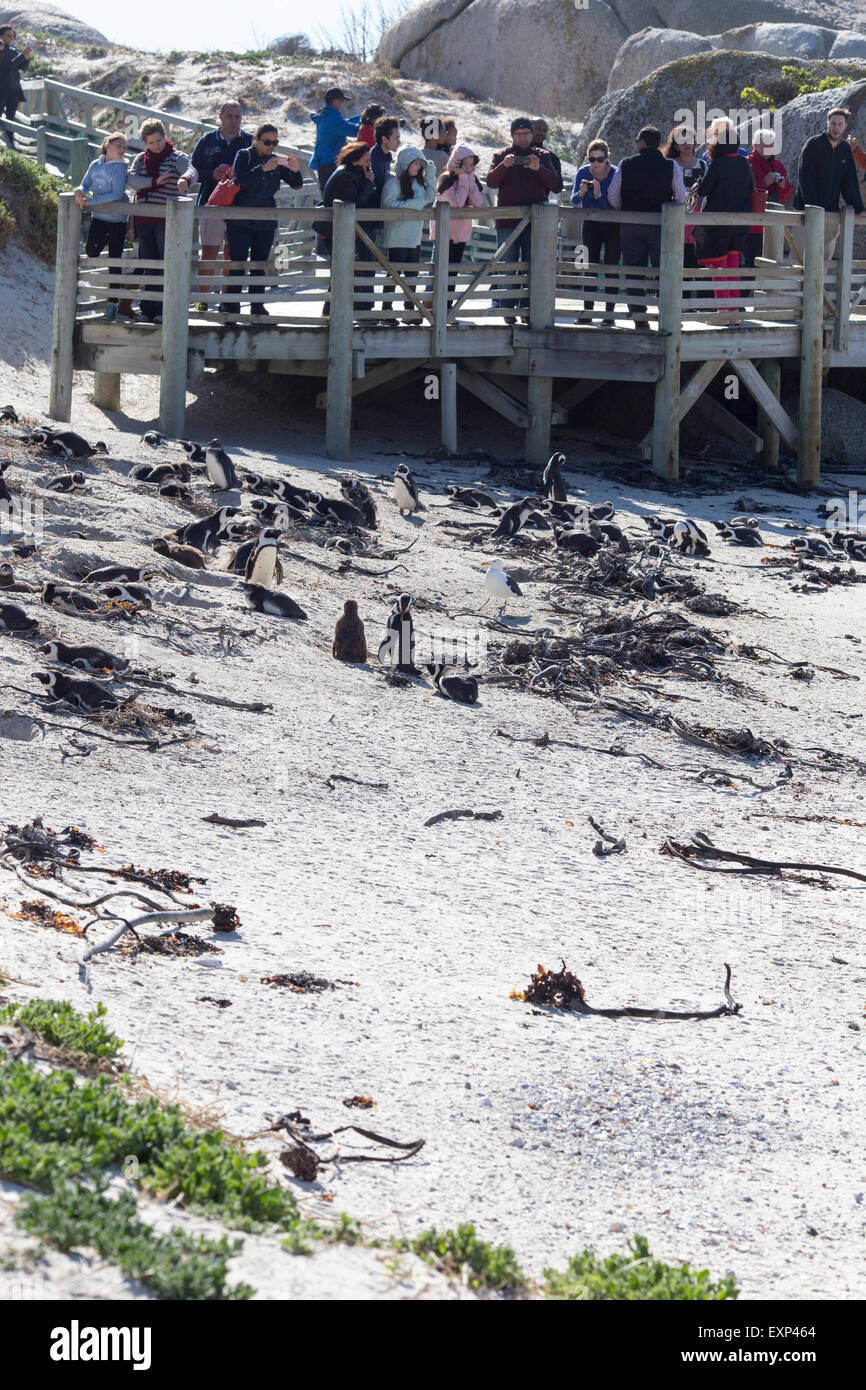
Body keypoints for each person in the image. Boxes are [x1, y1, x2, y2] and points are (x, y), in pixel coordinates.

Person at [607, 126, 686, 328]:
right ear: (658, 143)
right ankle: (666, 316)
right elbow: (680, 196)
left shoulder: (626, 164)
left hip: (631, 225)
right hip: (661, 224)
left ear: (641, 142)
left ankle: (639, 319)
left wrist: (624, 210)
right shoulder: (671, 166)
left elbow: (612, 194)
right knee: (664, 270)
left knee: (634, 271)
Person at [221, 125, 302, 316]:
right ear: (256, 139)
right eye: (267, 142)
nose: (271, 146)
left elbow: (297, 185)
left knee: (260, 264)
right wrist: (263, 168)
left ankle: (257, 306)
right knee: (237, 264)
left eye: (275, 142)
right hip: (240, 218)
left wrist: (296, 170)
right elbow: (240, 180)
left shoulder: (276, 159)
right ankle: (231, 308)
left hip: (266, 219)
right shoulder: (244, 155)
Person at [486, 116, 558, 323]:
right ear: (512, 136)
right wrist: (504, 166)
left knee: (532, 264)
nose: (523, 137)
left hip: (535, 223)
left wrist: (538, 169)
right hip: (507, 222)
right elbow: (491, 182)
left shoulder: (543, 156)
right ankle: (508, 311)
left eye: (526, 133)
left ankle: (528, 310)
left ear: (532, 134)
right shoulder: (501, 155)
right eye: (518, 134)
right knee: (507, 265)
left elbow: (553, 183)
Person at [127, 119, 198, 324]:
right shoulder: (141, 159)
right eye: (151, 142)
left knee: (165, 264)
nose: (156, 145)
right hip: (143, 219)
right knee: (149, 264)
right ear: (145, 143)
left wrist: (184, 179)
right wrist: (153, 182)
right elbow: (131, 180)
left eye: (159, 140)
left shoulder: (177, 157)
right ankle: (147, 310)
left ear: (165, 136)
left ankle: (164, 309)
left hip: (165, 219)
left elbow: (192, 171)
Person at [189, 99, 252, 294]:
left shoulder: (250, 141)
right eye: (229, 116)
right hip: (211, 203)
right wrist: (212, 174)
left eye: (237, 116)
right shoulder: (207, 140)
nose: (234, 120)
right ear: (220, 117)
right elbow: (193, 167)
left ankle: (227, 300)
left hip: (240, 205)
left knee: (232, 254)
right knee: (208, 253)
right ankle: (203, 300)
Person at [693, 120, 754, 317]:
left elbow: (704, 190)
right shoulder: (745, 163)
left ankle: (721, 311)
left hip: (718, 223)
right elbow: (750, 190)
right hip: (740, 223)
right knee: (733, 265)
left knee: (719, 266)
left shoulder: (717, 163)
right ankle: (734, 311)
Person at [794, 108, 865, 260]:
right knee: (799, 258)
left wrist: (859, 207)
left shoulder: (845, 148)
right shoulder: (813, 144)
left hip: (831, 212)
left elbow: (849, 182)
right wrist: (813, 208)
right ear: (827, 124)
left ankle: (818, 286)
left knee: (823, 260)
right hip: (806, 211)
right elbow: (804, 177)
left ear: (845, 126)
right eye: (833, 123)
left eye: (840, 124)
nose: (836, 127)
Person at [74, 132, 130, 321]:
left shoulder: (121, 168)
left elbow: (117, 193)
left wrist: (92, 200)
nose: (122, 150)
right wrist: (79, 191)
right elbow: (85, 184)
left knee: (114, 263)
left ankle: (112, 305)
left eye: (124, 147)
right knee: (91, 251)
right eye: (118, 146)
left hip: (117, 221)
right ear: (107, 145)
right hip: (99, 217)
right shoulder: (95, 164)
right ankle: (106, 238)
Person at [320, 141, 379, 316]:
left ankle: (332, 312)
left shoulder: (349, 173)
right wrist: (369, 184)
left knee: (342, 271)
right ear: (356, 161)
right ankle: (331, 312)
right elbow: (353, 205)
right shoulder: (346, 176)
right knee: (342, 271)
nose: (369, 165)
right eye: (366, 161)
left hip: (338, 231)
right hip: (337, 232)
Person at [381, 144, 437, 321]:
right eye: (415, 164)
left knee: (412, 275)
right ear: (406, 164)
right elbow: (388, 206)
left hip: (414, 237)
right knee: (394, 276)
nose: (418, 167)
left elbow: (429, 197)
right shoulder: (393, 183)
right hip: (398, 237)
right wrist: (414, 204)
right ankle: (387, 311)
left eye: (420, 164)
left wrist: (430, 173)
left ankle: (410, 311)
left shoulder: (418, 184)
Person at [570, 138, 619, 324]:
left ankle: (609, 315)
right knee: (588, 266)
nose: (596, 164)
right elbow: (574, 201)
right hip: (590, 223)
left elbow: (617, 204)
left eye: (600, 159)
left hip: (613, 224)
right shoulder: (583, 172)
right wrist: (582, 193)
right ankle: (587, 312)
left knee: (611, 267)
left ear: (607, 159)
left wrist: (599, 194)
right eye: (592, 159)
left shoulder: (615, 173)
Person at [662, 125, 706, 297]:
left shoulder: (702, 164)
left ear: (695, 142)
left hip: (697, 219)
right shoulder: (670, 165)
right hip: (676, 218)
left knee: (697, 261)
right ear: (675, 145)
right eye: (681, 141)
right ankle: (680, 302)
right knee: (679, 261)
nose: (686, 144)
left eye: (689, 140)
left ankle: (697, 303)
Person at [745, 128, 792, 270]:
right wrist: (762, 183)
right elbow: (742, 192)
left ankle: (769, 292)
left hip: (773, 222)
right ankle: (746, 292)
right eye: (765, 144)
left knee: (773, 263)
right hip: (752, 225)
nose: (769, 148)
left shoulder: (778, 165)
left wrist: (783, 185)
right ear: (755, 146)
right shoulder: (747, 163)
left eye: (771, 144)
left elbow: (786, 194)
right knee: (750, 264)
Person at [432, 143, 484, 265]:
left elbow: (478, 202)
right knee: (440, 270)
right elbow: (458, 203)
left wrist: (470, 181)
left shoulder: (470, 178)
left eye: (471, 164)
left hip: (461, 233)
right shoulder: (445, 180)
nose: (468, 168)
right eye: (465, 164)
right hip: (444, 232)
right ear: (456, 163)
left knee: (453, 272)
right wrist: (463, 180)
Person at [309, 88, 361, 193]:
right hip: (330, 165)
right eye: (341, 100)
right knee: (334, 201)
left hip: (325, 163)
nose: (342, 103)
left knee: (329, 199)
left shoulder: (326, 115)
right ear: (335, 101)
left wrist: (361, 117)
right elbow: (354, 130)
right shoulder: (331, 118)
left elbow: (344, 123)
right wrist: (368, 122)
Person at [0, 25, 31, 148]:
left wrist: (26, 58)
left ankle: (10, 146)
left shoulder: (13, 51)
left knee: (11, 119)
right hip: (1, 90)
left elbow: (22, 68)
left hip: (14, 90)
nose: (12, 38)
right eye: (9, 36)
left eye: (13, 36)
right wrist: (23, 56)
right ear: (1, 36)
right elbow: (8, 65)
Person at [533, 119, 564, 198]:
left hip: (541, 206)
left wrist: (545, 173)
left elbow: (557, 189)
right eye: (538, 129)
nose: (541, 133)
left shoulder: (552, 158)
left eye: (544, 130)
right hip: (516, 206)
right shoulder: (518, 153)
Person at [371, 115, 400, 197]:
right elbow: (379, 188)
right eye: (396, 138)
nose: (399, 142)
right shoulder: (374, 159)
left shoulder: (386, 154)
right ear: (384, 139)